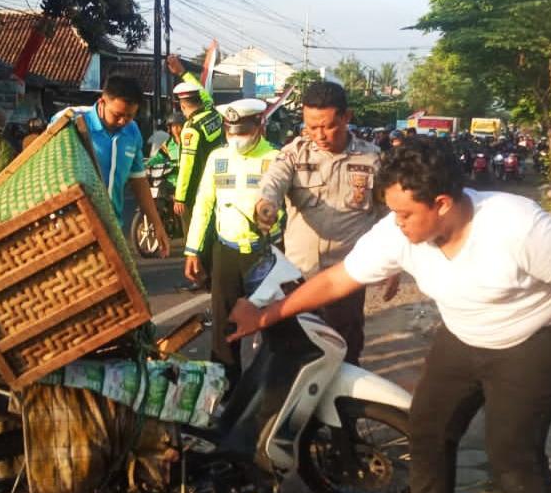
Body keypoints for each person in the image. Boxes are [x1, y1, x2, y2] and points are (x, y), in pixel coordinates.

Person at [228, 137, 551, 493]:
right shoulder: (398, 232)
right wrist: (266, 316)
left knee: (514, 456)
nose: (397, 223)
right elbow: (339, 279)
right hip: (464, 334)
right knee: (428, 429)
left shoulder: (517, 226)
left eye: (406, 213)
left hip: (537, 337)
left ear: (444, 203)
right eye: (392, 211)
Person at [255, 81, 397, 365]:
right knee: (290, 352)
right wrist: (265, 206)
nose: (318, 134)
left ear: (347, 117)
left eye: (327, 126)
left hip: (347, 277)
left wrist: (393, 265)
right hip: (298, 276)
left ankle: (340, 409)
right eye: (311, 126)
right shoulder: (295, 154)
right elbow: (273, 184)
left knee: (345, 351)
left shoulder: (371, 159)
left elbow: (389, 214)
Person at [183, 98, 281, 380]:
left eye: (243, 132)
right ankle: (225, 389)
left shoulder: (275, 158)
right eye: (231, 132)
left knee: (273, 324)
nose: (237, 138)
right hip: (225, 251)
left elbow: (289, 206)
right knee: (224, 328)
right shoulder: (218, 158)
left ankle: (272, 387)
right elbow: (203, 203)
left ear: (259, 125)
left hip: (264, 253)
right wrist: (192, 250)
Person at [52, 75, 170, 255]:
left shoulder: (132, 132)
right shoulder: (69, 121)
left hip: (111, 227)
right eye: (117, 115)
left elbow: (138, 181)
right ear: (102, 102)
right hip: (69, 228)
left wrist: (157, 224)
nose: (123, 121)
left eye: (130, 116)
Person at [167, 54, 224, 290]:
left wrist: (180, 197)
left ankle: (202, 277)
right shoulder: (213, 114)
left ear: (181, 104)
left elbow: (187, 165)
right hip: (219, 183)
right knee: (212, 231)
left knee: (194, 233)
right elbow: (203, 92)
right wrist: (182, 73)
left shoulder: (190, 130)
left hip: (198, 190)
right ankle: (211, 275)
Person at [145, 112, 184, 192]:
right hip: (170, 181)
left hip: (185, 181)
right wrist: (147, 164)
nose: (176, 129)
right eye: (173, 126)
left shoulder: (189, 142)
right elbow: (160, 157)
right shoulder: (168, 143)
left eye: (178, 126)